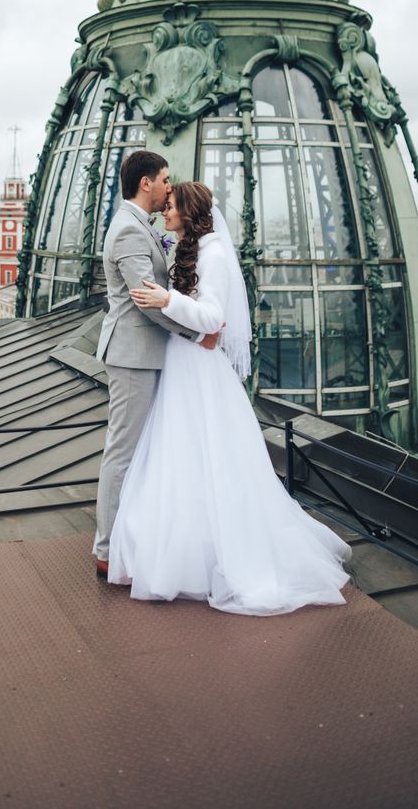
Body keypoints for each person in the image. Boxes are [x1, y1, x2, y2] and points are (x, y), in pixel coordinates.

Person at [108, 180, 351, 613]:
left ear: (189, 211)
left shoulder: (214, 254)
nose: (166, 210)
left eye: (173, 206)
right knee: (185, 457)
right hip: (184, 364)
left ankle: (198, 557)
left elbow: (214, 319)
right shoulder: (194, 247)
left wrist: (168, 300)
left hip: (198, 368)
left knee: (202, 457)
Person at [93, 153, 223, 579]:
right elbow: (145, 301)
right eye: (165, 180)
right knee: (124, 454)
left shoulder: (135, 225)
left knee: (138, 452)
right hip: (134, 354)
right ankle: (108, 549)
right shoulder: (130, 230)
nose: (170, 187)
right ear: (146, 183)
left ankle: (129, 541)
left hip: (144, 353)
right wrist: (195, 335)